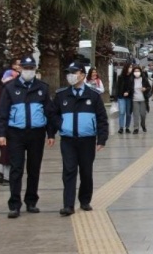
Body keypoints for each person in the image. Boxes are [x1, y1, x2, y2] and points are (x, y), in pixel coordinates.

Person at [0, 56, 57, 219]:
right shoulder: (10, 88)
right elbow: (2, 113)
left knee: (34, 168)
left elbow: (49, 112)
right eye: (25, 68)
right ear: (20, 69)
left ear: (35, 70)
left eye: (31, 68)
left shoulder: (42, 88)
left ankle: (31, 201)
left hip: (36, 133)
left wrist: (51, 133)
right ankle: (14, 204)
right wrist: (0, 133)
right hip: (15, 134)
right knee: (16, 169)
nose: (28, 71)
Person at [52, 62, 109, 216]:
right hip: (68, 139)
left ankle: (85, 200)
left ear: (83, 75)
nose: (71, 75)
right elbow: (53, 114)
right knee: (69, 170)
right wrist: (59, 126)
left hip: (87, 139)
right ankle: (68, 205)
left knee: (86, 171)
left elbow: (102, 118)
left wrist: (102, 138)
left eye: (74, 72)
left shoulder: (93, 95)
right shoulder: (62, 95)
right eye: (69, 73)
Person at [0, 69, 19, 185]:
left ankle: (0, 171)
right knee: (8, 151)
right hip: (8, 124)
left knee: (4, 150)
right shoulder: (10, 90)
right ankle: (7, 176)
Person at [131, 66, 151, 134]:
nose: (137, 72)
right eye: (135, 71)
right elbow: (128, 88)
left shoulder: (144, 79)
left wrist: (145, 89)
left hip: (143, 99)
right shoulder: (131, 80)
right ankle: (136, 128)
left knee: (143, 114)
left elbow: (149, 87)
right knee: (136, 114)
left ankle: (143, 124)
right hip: (134, 100)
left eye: (138, 71)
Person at [116, 63, 134, 134]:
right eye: (130, 67)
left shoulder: (132, 77)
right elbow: (117, 87)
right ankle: (121, 127)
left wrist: (128, 92)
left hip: (129, 97)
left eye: (131, 67)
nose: (131, 68)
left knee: (128, 113)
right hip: (121, 97)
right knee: (122, 112)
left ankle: (127, 127)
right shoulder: (120, 77)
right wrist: (116, 96)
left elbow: (132, 87)